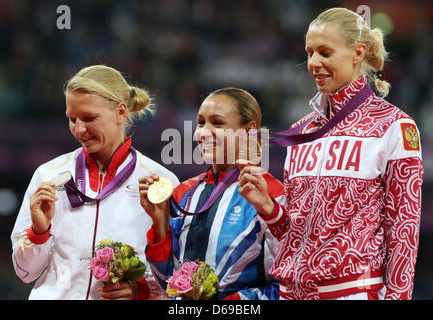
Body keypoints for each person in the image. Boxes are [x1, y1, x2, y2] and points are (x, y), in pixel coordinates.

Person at [237, 7, 423, 300]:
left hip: (351, 293)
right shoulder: (300, 132)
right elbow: (292, 232)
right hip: (289, 294)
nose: (313, 63)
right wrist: (267, 207)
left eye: (325, 52)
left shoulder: (393, 127)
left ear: (357, 53)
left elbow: (403, 230)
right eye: (309, 53)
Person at [11, 65, 179, 300]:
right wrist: (39, 232)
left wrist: (139, 291)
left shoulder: (160, 182)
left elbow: (176, 275)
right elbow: (25, 272)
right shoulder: (47, 175)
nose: (79, 129)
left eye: (90, 118)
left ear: (121, 112)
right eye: (72, 119)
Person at [139, 87, 283, 300]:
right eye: (200, 123)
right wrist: (160, 223)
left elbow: (287, 284)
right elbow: (165, 286)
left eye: (217, 123)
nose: (203, 132)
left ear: (248, 130)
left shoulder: (272, 193)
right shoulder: (183, 194)